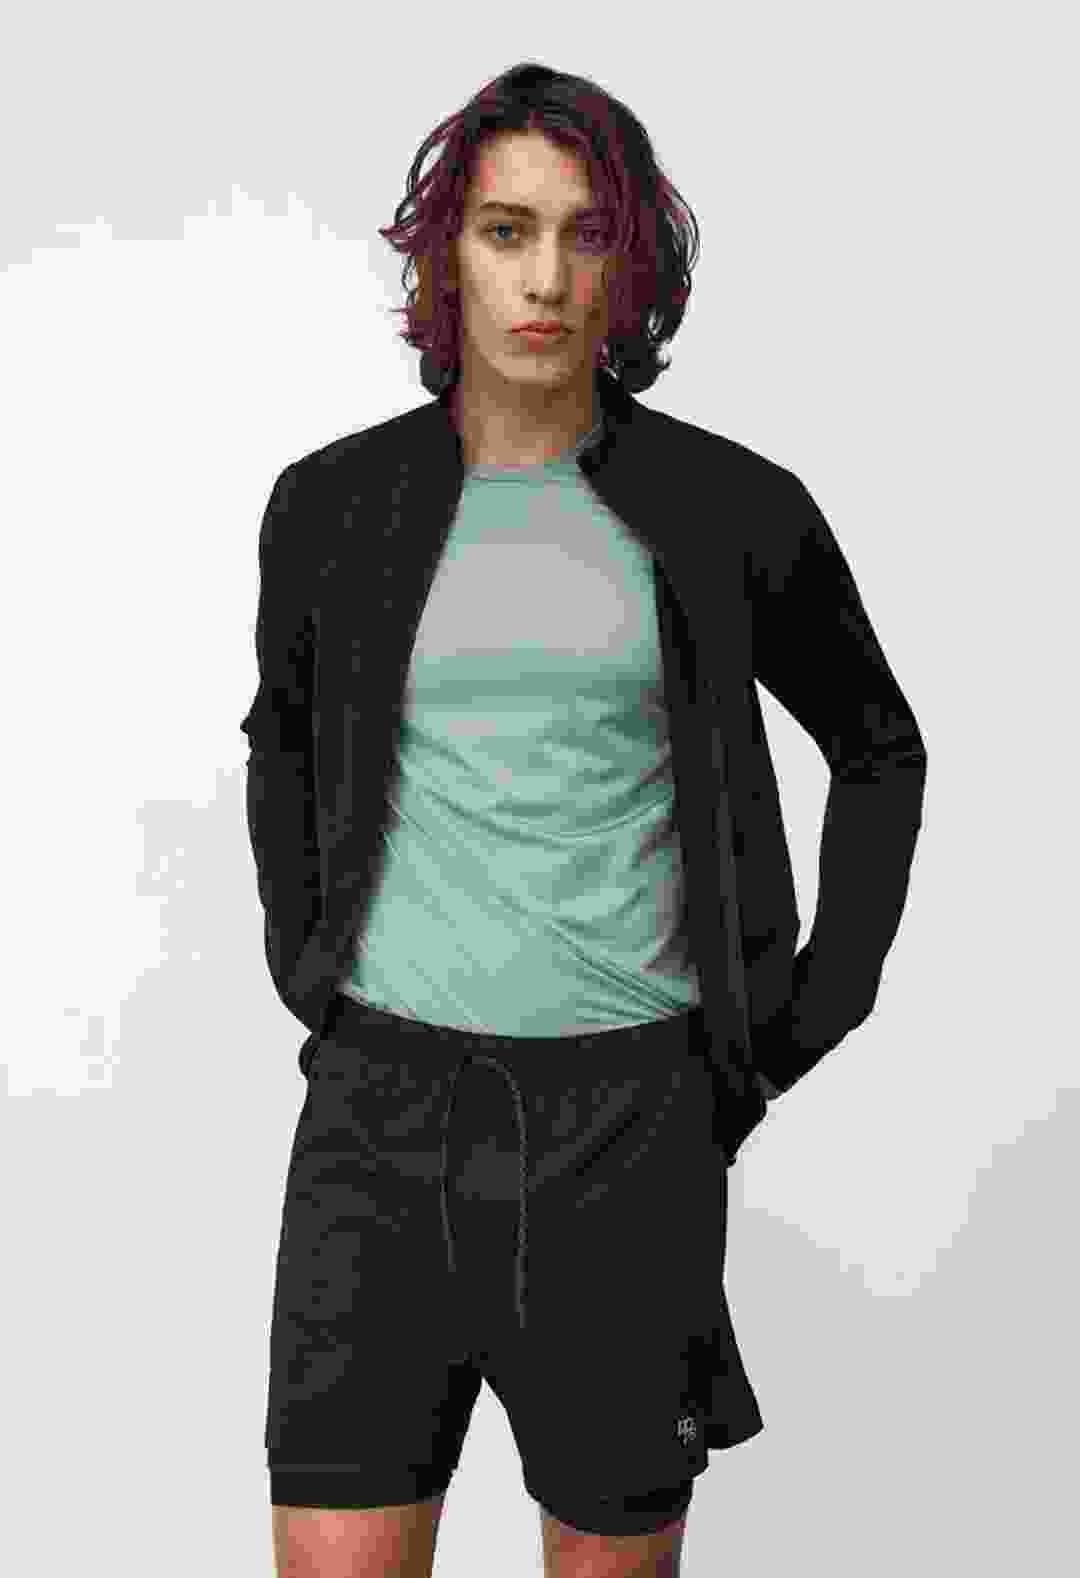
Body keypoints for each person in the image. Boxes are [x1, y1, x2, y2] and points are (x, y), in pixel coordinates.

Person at [245, 61, 927, 1578]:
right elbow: (278, 741)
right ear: (447, 253)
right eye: (507, 231)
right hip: (377, 1127)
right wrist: (312, 973)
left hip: (629, 1134)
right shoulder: (332, 507)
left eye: (587, 234)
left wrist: (803, 1014)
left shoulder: (729, 509)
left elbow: (880, 748)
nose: (546, 279)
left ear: (634, 263)